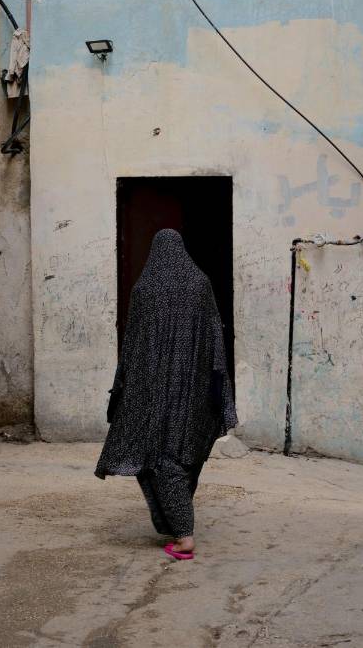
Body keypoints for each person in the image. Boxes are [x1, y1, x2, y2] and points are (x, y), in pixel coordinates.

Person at [95, 228, 238, 560]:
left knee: (159, 458)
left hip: (153, 393)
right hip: (195, 392)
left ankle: (184, 536)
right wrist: (219, 388)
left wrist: (123, 386)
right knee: (184, 456)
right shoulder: (200, 286)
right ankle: (175, 521)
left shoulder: (144, 290)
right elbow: (215, 338)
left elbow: (131, 346)